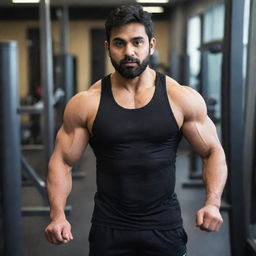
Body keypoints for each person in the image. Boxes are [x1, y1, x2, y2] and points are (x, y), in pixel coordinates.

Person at [44, 5, 228, 256]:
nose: (129, 51)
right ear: (108, 47)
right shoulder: (86, 102)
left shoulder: (180, 98)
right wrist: (57, 215)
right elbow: (62, 160)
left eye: (137, 42)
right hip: (109, 227)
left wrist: (213, 203)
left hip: (164, 226)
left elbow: (212, 152)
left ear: (151, 45)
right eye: (119, 43)